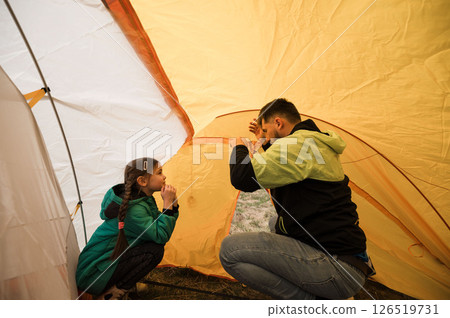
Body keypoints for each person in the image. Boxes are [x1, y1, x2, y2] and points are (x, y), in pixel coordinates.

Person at [220, 98, 374, 300]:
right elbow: (284, 170)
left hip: (337, 270)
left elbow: (242, 176)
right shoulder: (313, 141)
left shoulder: (297, 145)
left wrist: (241, 147)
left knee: (229, 251)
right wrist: (266, 142)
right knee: (274, 223)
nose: (263, 135)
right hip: (349, 261)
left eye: (265, 130)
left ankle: (309, 304)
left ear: (278, 123)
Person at [76, 157, 179, 299]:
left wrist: (172, 204)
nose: (164, 176)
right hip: (94, 274)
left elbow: (158, 225)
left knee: (149, 245)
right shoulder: (134, 210)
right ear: (142, 181)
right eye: (159, 172)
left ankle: (123, 284)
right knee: (154, 251)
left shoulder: (142, 199)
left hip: (101, 267)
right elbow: (160, 235)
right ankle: (112, 293)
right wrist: (168, 204)